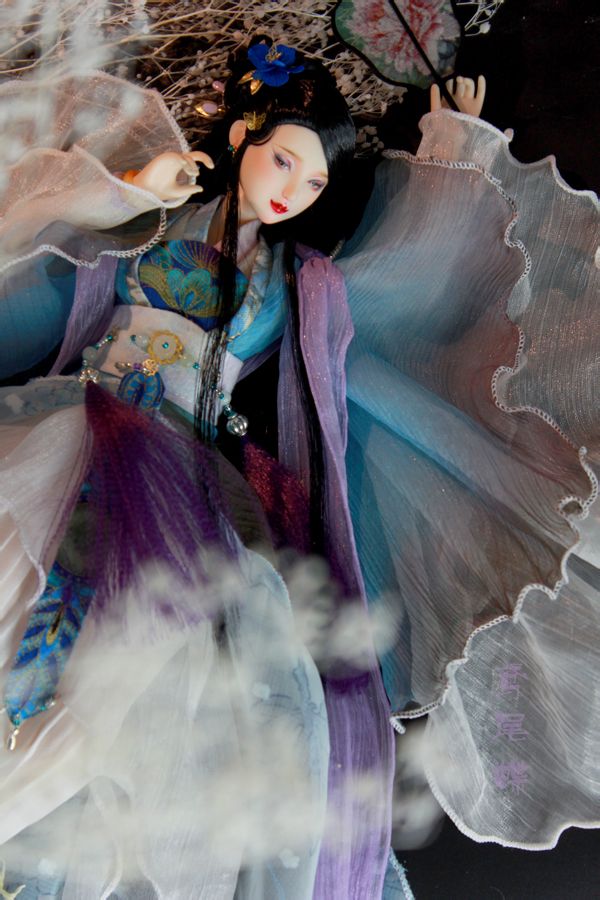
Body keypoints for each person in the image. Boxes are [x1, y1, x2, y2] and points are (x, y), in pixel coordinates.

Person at [1, 37, 598, 900]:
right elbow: (48, 273)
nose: (292, 189)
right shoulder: (159, 221)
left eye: (313, 181)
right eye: (283, 159)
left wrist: (455, 147)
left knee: (171, 678)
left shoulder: (298, 282)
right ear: (240, 135)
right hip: (90, 429)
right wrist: (132, 192)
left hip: (189, 473)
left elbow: (417, 275)